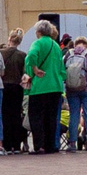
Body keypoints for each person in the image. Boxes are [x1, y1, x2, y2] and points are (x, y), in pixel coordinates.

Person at [21, 21, 66, 155]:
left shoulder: (38, 43)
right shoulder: (56, 45)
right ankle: (50, 145)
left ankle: (39, 146)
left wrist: (34, 69)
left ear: (38, 32)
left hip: (40, 86)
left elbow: (30, 56)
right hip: (55, 85)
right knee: (51, 118)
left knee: (36, 117)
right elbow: (61, 67)